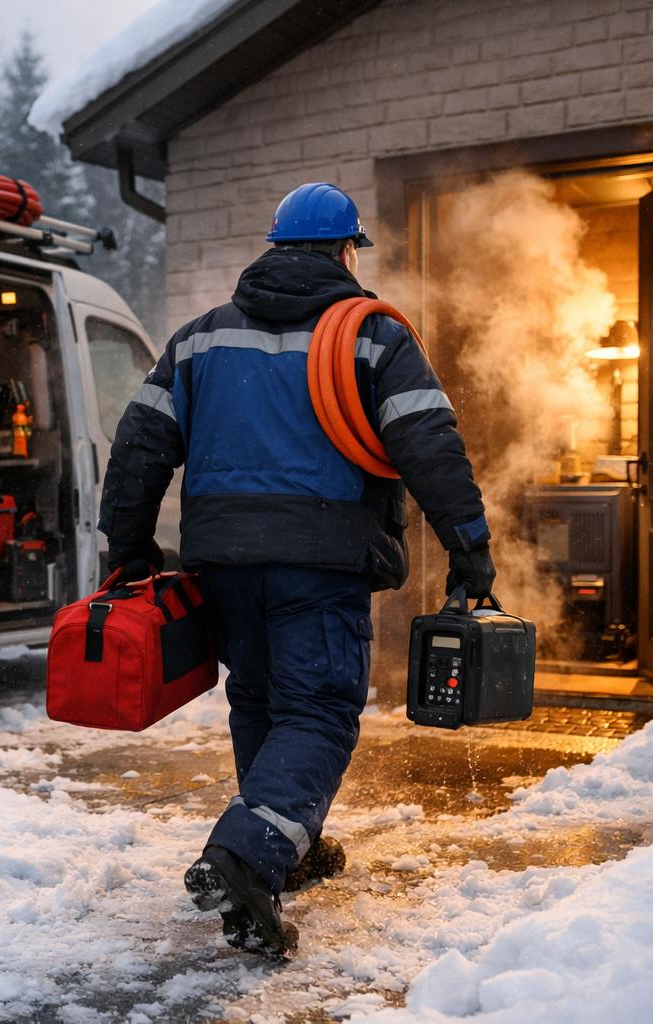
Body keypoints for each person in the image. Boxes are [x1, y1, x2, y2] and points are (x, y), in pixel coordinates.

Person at [97, 183, 494, 955]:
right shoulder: (373, 340)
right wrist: (469, 546)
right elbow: (429, 445)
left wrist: (130, 549)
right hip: (321, 560)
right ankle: (247, 853)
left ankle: (282, 848)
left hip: (223, 563)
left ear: (276, 246)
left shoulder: (200, 339)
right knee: (316, 712)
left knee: (262, 700)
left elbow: (138, 447)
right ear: (346, 252)